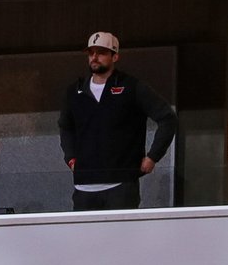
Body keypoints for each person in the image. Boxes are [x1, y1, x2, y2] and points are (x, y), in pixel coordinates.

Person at [58, 30, 177, 211]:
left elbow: (167, 118)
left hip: (121, 184)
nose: (95, 57)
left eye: (102, 52)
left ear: (115, 57)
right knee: (85, 238)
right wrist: (71, 158)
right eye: (91, 53)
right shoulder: (74, 91)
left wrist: (153, 157)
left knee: (123, 238)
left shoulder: (131, 87)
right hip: (84, 184)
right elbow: (65, 127)